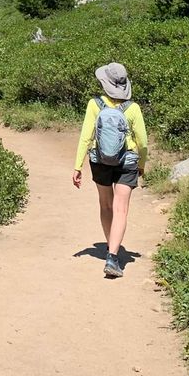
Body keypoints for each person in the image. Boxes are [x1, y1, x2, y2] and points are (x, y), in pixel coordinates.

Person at [72, 62, 148, 279]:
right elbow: (142, 142)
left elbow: (86, 137)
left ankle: (109, 246)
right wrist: (141, 164)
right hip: (127, 162)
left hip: (100, 161)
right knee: (121, 209)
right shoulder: (133, 108)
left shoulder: (94, 104)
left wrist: (78, 166)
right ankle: (113, 256)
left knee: (106, 204)